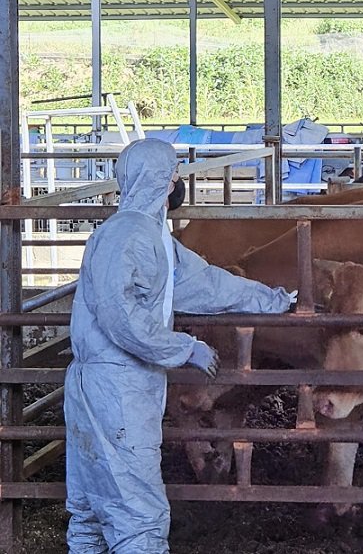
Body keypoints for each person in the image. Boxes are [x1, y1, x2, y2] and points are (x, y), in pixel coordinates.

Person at [65, 138, 297, 553]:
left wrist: (271, 299)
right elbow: (120, 315)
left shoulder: (152, 237)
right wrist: (183, 347)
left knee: (94, 509)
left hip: (115, 385)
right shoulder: (127, 236)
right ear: (159, 180)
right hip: (115, 388)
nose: (177, 181)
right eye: (172, 173)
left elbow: (205, 283)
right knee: (138, 514)